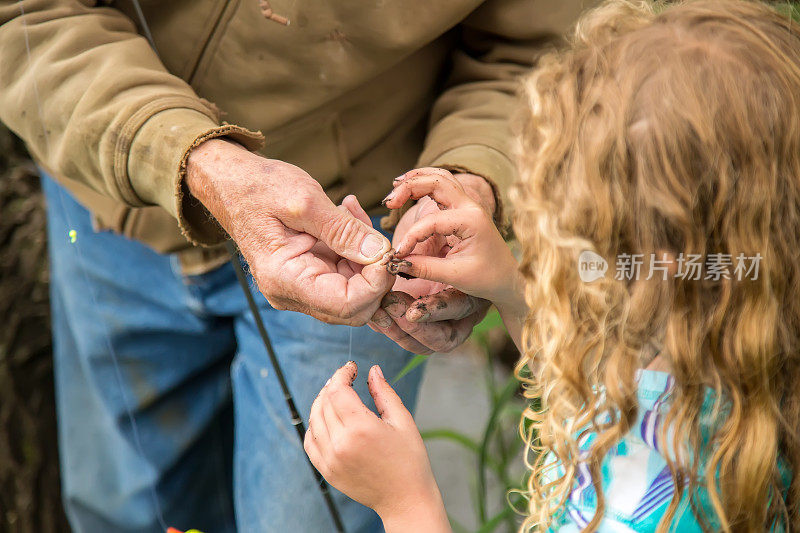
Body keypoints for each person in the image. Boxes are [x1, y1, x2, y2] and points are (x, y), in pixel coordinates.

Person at [0, 0, 586, 531]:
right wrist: (177, 154)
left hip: (359, 212)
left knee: (308, 512)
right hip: (108, 190)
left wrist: (472, 183)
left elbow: (534, 51)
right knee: (123, 508)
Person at [304, 1, 800, 531]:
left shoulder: (650, 509)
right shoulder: (735, 359)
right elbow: (602, 396)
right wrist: (510, 288)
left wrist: (407, 502)